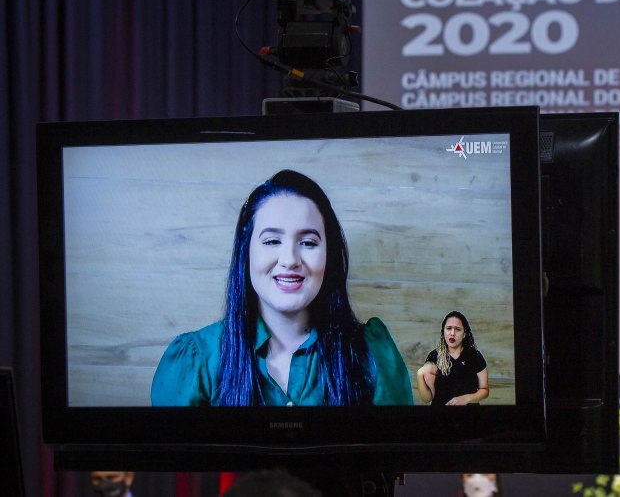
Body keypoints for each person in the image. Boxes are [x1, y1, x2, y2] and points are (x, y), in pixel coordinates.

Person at [151, 170, 413, 406]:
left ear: (328, 256)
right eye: (272, 241)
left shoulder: (373, 354)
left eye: (308, 243)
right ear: (247, 253)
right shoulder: (195, 361)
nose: (289, 260)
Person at [416, 311, 489, 406]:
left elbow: (484, 390)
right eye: (449, 329)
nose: (452, 333)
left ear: (464, 333)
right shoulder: (434, 356)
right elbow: (427, 399)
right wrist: (419, 374)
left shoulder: (474, 356)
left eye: (458, 329)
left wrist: (466, 398)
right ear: (443, 331)